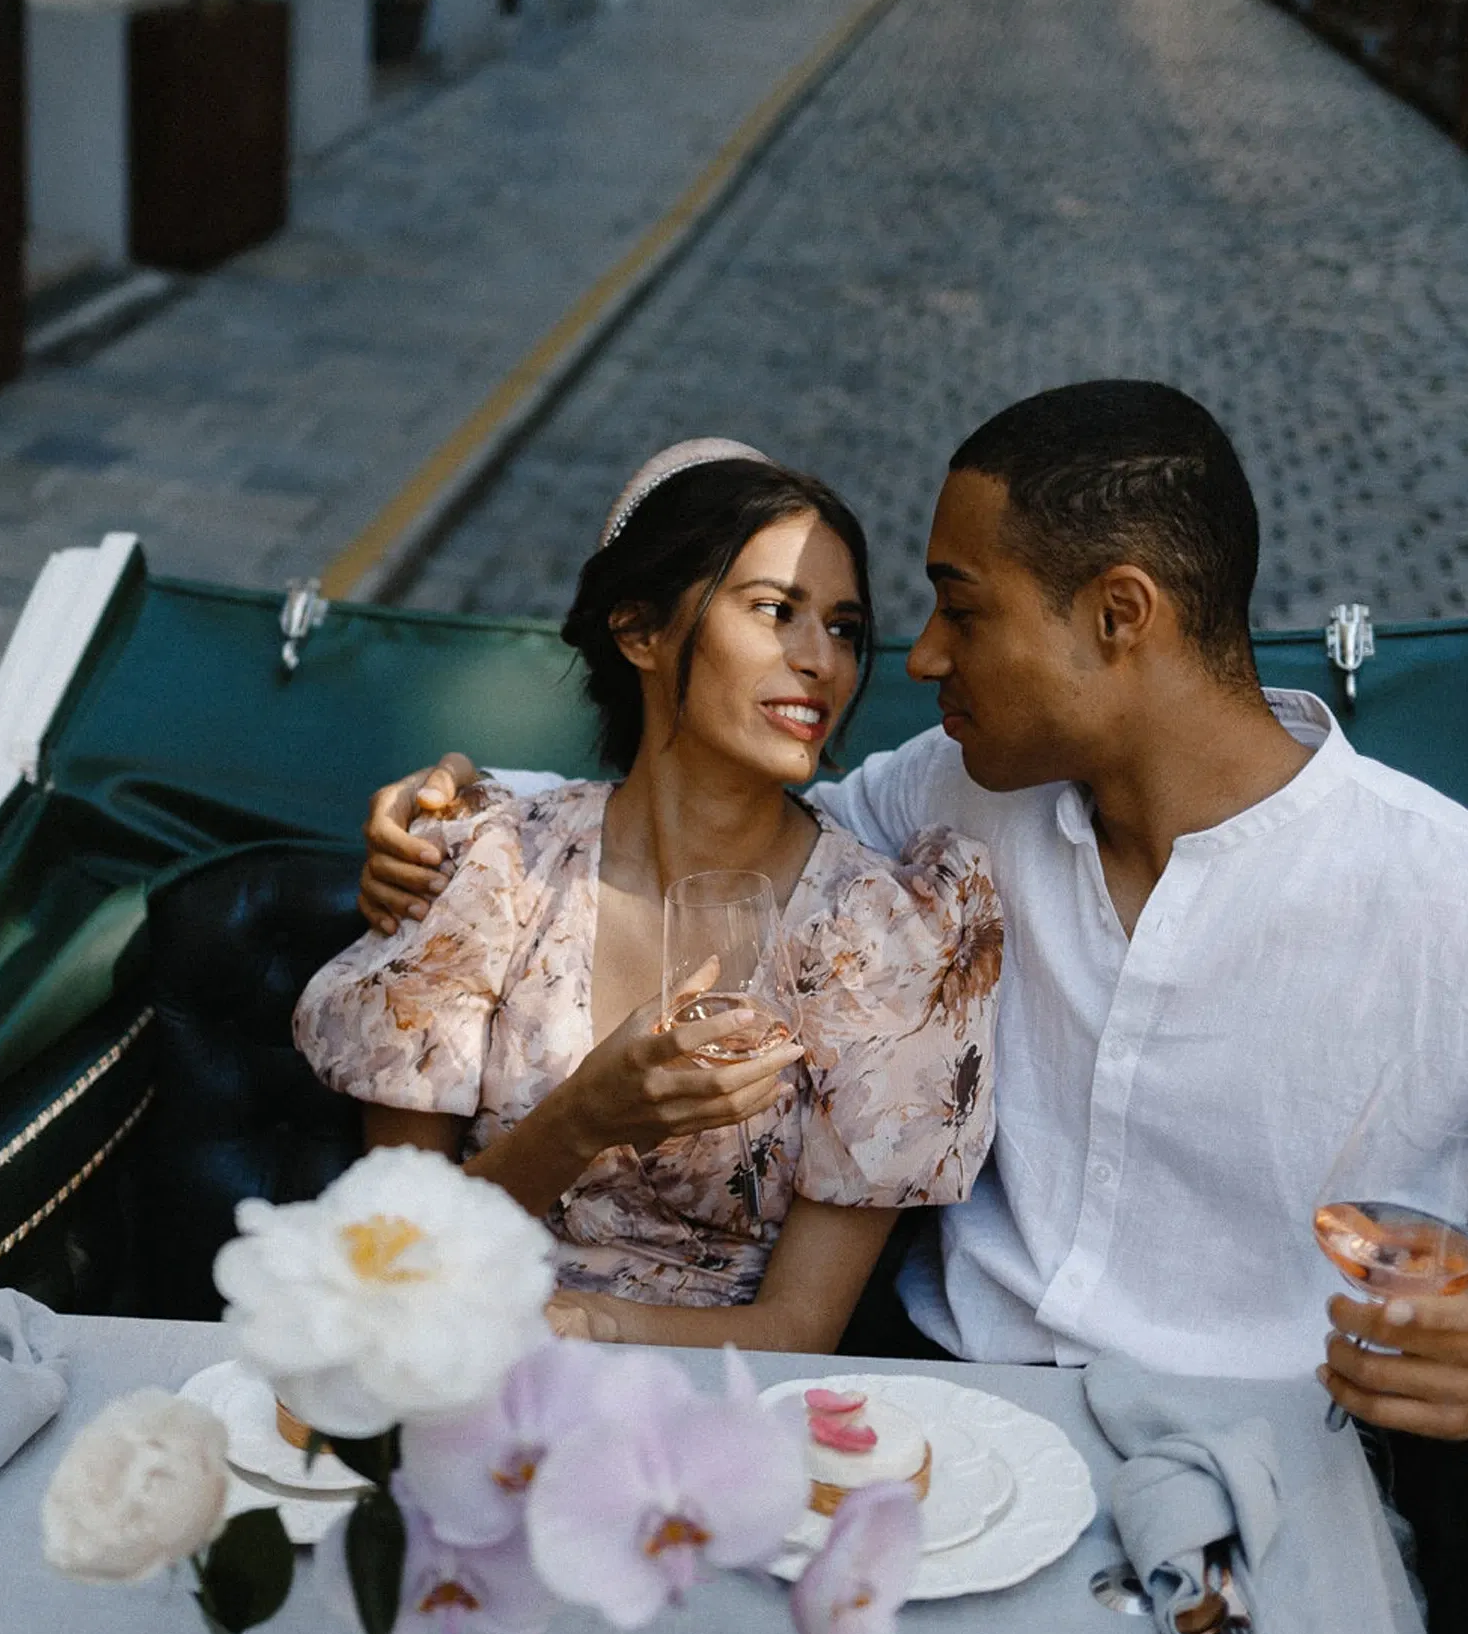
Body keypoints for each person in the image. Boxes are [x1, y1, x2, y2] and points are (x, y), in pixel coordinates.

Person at [357, 383, 1468, 1634]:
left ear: (1119, 617)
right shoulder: (962, 799)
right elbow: (718, 801)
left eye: (962, 607)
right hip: (923, 1448)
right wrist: (464, 809)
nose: (915, 657)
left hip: (1260, 1509)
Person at [297, 439, 1000, 1355]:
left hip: (713, 1408)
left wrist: (580, 1328)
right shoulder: (494, 866)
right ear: (638, 632)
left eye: (844, 627)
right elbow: (393, 1251)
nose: (821, 661)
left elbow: (799, 1327)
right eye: (777, 611)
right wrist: (584, 1117)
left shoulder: (876, 936)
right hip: (445, 1353)